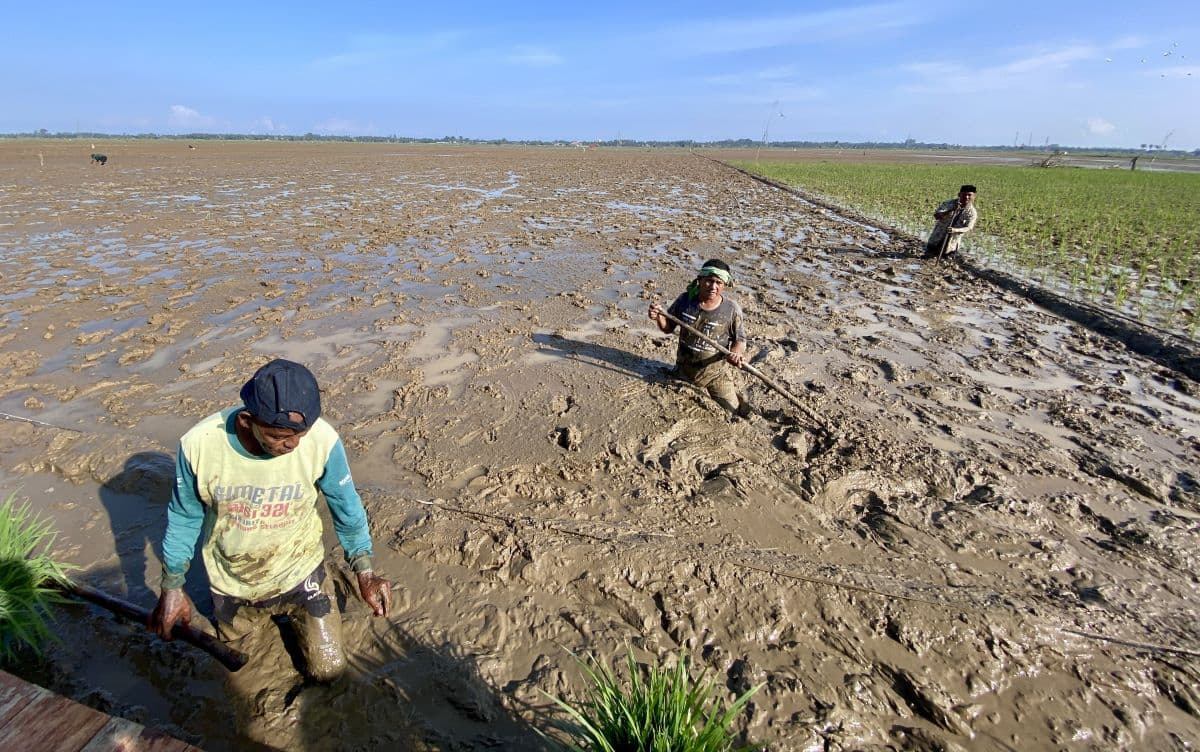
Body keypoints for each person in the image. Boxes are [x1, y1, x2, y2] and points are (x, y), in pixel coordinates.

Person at [149, 358, 390, 683]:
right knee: (237, 677)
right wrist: (172, 586)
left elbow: (345, 505)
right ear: (248, 420)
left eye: (300, 434)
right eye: (279, 436)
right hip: (234, 583)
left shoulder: (322, 440)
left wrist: (365, 570)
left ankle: (326, 581)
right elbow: (184, 516)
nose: (292, 445)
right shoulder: (199, 446)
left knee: (329, 671)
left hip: (302, 570)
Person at [648, 259, 749, 414]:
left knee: (732, 410)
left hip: (715, 374)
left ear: (724, 285)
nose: (713, 287)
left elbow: (740, 339)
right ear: (700, 280)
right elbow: (668, 328)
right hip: (684, 370)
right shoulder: (685, 300)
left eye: (718, 282)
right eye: (709, 281)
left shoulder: (731, 309)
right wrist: (659, 317)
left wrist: (736, 353)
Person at [923, 184, 978, 258]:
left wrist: (954, 230)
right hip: (936, 239)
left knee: (946, 263)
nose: (966, 197)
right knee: (927, 258)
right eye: (964, 194)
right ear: (959, 194)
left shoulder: (972, 212)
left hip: (952, 245)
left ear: (974, 196)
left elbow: (968, 228)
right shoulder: (948, 204)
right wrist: (951, 210)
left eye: (969, 195)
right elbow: (936, 216)